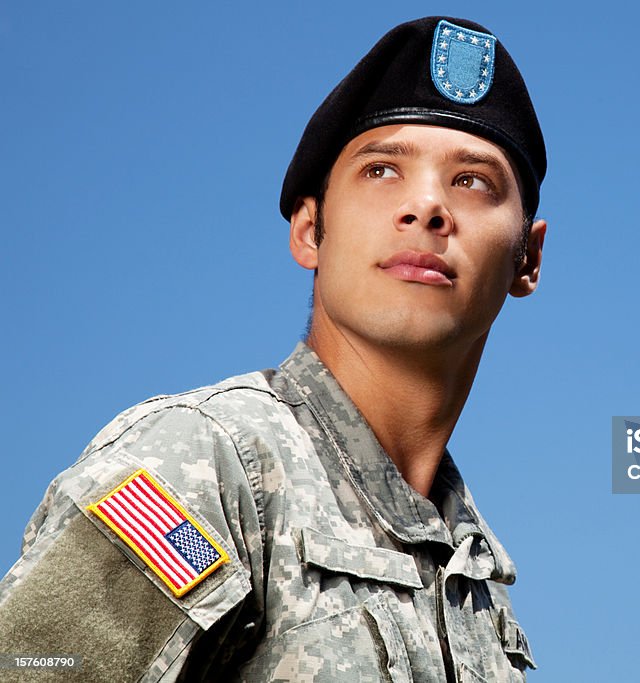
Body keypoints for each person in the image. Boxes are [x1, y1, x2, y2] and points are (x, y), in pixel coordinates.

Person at [0, 16, 545, 682]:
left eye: (473, 182)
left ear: (528, 258)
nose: (427, 206)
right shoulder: (205, 464)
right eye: (381, 170)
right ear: (311, 231)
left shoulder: (477, 581)